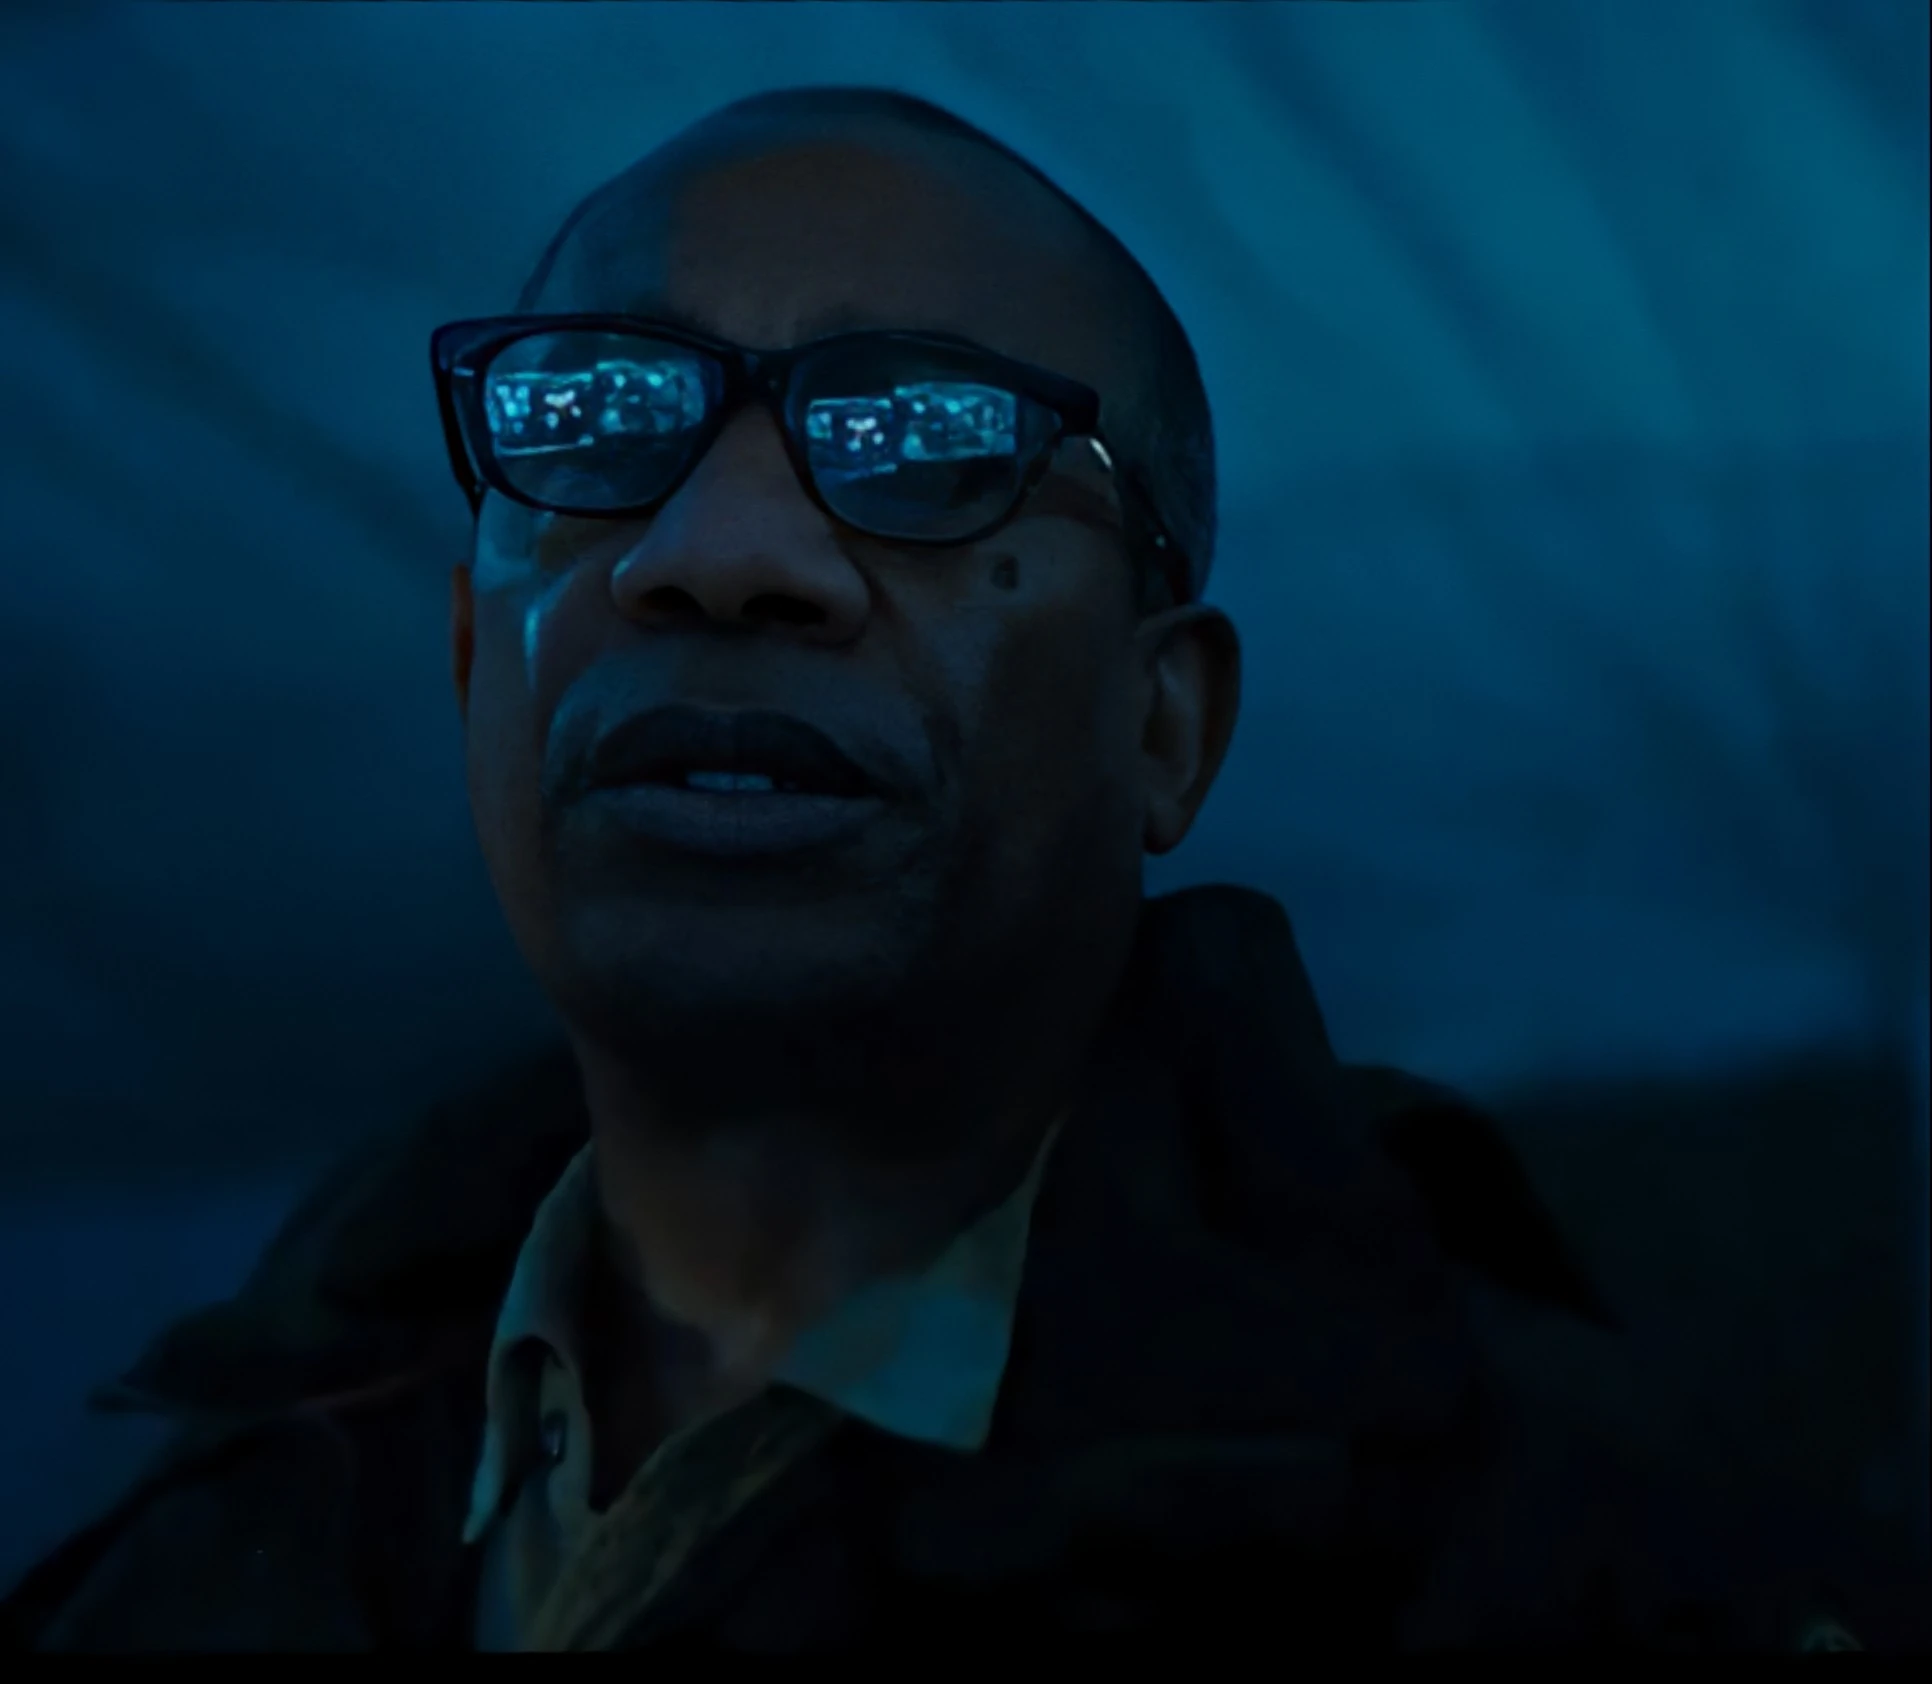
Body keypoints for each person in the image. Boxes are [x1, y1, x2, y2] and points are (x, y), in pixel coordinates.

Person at [4, 85, 1918, 1654]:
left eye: (927, 441)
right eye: (593, 416)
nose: (716, 552)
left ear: (1164, 726)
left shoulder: (1558, 1565)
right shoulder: (227, 1498)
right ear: (465, 665)